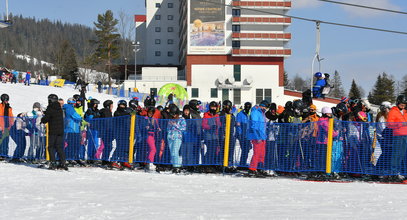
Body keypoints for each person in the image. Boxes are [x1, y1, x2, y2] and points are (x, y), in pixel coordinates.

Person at [40, 94, 68, 170]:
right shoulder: (59, 108)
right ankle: (63, 162)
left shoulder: (50, 107)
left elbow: (47, 118)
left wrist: (42, 120)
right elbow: (53, 115)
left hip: (53, 130)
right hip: (60, 130)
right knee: (59, 147)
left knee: (51, 147)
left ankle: (53, 163)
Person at [247, 100, 270, 177]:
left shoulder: (261, 113)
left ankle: (260, 167)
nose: (265, 109)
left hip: (262, 136)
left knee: (262, 153)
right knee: (257, 153)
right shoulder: (255, 112)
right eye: (265, 107)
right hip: (257, 136)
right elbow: (254, 125)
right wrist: (257, 136)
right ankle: (252, 169)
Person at [387, 95, 407, 179]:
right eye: (401, 104)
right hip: (398, 135)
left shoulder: (405, 112)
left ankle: (400, 172)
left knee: (402, 154)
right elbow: (389, 124)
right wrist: (400, 124)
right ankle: (393, 172)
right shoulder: (393, 111)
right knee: (396, 154)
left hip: (405, 135)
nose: (403, 106)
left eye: (404, 105)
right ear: (398, 103)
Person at [63, 98, 83, 166]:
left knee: (72, 144)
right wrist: (80, 118)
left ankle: (70, 157)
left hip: (72, 128)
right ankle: (69, 157)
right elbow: (76, 116)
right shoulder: (69, 108)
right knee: (72, 144)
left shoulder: (67, 107)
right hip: (72, 129)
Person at [202, 101, 221, 172]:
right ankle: (207, 165)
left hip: (215, 136)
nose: (213, 108)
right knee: (210, 150)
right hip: (208, 136)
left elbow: (219, 124)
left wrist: (217, 127)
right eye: (212, 107)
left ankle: (212, 164)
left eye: (214, 107)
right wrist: (210, 127)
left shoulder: (217, 115)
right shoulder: (206, 115)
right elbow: (203, 125)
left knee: (214, 151)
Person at [113, 100, 132, 169]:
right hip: (119, 132)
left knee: (126, 147)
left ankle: (123, 161)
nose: (122, 107)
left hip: (126, 132)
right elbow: (119, 116)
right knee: (119, 147)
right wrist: (127, 114)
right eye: (121, 105)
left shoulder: (126, 112)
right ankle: (113, 160)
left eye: (123, 105)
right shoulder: (117, 112)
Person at [167, 105, 186, 173]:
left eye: (174, 114)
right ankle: (174, 165)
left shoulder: (181, 119)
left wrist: (175, 125)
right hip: (170, 137)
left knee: (175, 152)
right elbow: (168, 128)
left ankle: (177, 166)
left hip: (177, 137)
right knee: (172, 152)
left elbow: (183, 128)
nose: (173, 116)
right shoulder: (170, 120)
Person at [84, 99, 101, 164]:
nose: (96, 105)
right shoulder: (89, 110)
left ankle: (94, 157)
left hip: (96, 127)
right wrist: (89, 118)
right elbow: (86, 117)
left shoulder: (97, 110)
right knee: (91, 143)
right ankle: (90, 157)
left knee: (96, 143)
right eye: (95, 104)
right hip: (91, 128)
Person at [236, 102, 252, 167]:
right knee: (244, 149)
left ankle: (243, 162)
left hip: (248, 135)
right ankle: (242, 163)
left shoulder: (250, 114)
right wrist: (239, 133)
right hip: (242, 134)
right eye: (246, 107)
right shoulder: (240, 114)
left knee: (247, 149)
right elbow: (238, 125)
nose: (247, 108)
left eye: (249, 107)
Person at [0, 93, 14, 160]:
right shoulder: (0, 106)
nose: (7, 101)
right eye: (6, 100)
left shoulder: (9, 108)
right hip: (0, 127)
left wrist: (11, 125)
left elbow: (11, 117)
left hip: (7, 127)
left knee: (6, 141)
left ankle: (4, 154)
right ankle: (1, 154)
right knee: (1, 141)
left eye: (7, 100)